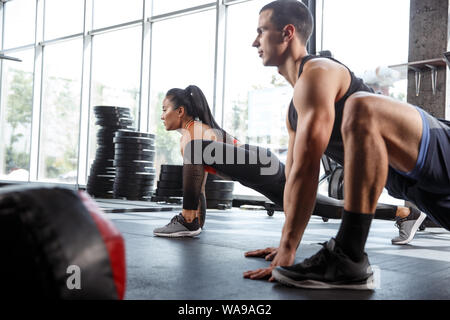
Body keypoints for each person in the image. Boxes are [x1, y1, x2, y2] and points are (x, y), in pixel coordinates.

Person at [243, 0, 450, 289]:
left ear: (287, 32)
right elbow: (294, 178)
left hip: (441, 150)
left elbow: (307, 169)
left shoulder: (319, 72)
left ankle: (349, 257)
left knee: (362, 107)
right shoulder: (294, 111)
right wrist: (286, 244)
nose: (255, 42)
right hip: (421, 190)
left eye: (261, 31)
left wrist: (289, 251)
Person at [152, 85, 425, 244]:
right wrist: (197, 220)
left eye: (165, 109)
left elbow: (197, 179)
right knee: (324, 207)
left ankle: (186, 221)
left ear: (181, 111)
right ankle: (404, 213)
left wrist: (190, 220)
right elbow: (197, 184)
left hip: (260, 164)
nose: (162, 115)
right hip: (264, 170)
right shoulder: (196, 136)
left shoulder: (193, 134)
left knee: (195, 151)